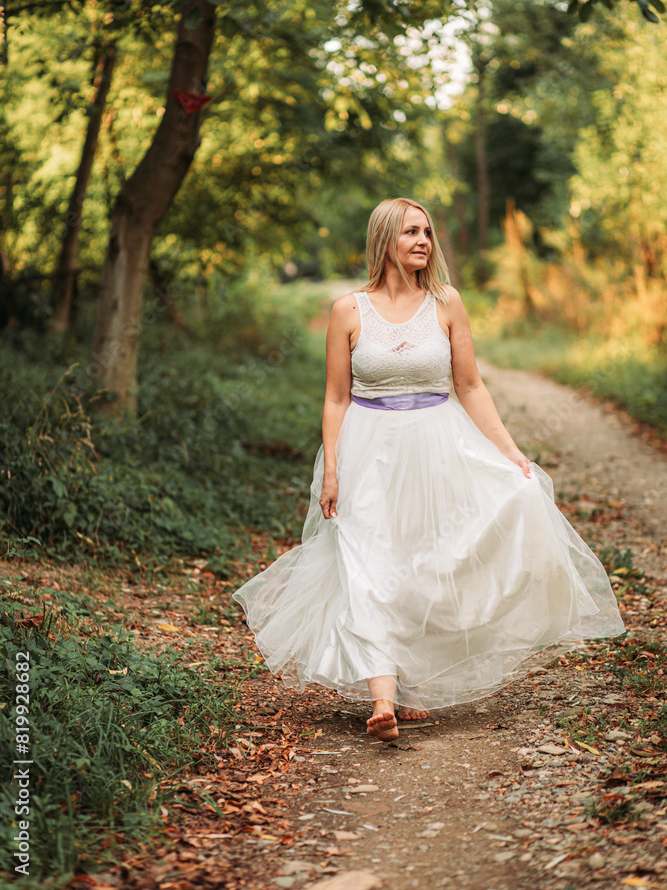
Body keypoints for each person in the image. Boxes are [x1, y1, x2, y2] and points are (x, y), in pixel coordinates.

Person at [233, 197, 625, 742]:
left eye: (427, 232)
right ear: (384, 240)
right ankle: (383, 698)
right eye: (410, 232)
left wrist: (511, 453)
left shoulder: (445, 302)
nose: (423, 241)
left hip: (438, 443)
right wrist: (331, 468)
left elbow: (469, 386)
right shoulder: (349, 310)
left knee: (424, 557)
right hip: (368, 445)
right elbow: (335, 399)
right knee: (368, 559)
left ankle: (410, 680)